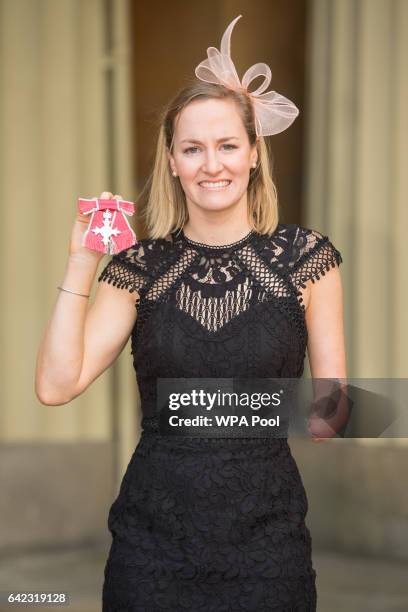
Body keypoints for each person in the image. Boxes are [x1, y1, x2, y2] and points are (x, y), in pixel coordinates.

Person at [35, 15, 345, 611]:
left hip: (268, 546)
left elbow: (329, 417)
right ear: (173, 161)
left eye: (228, 145)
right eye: (193, 149)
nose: (212, 164)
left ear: (254, 154)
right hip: (151, 545)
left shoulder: (307, 258)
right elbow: (55, 386)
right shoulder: (140, 267)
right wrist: (82, 261)